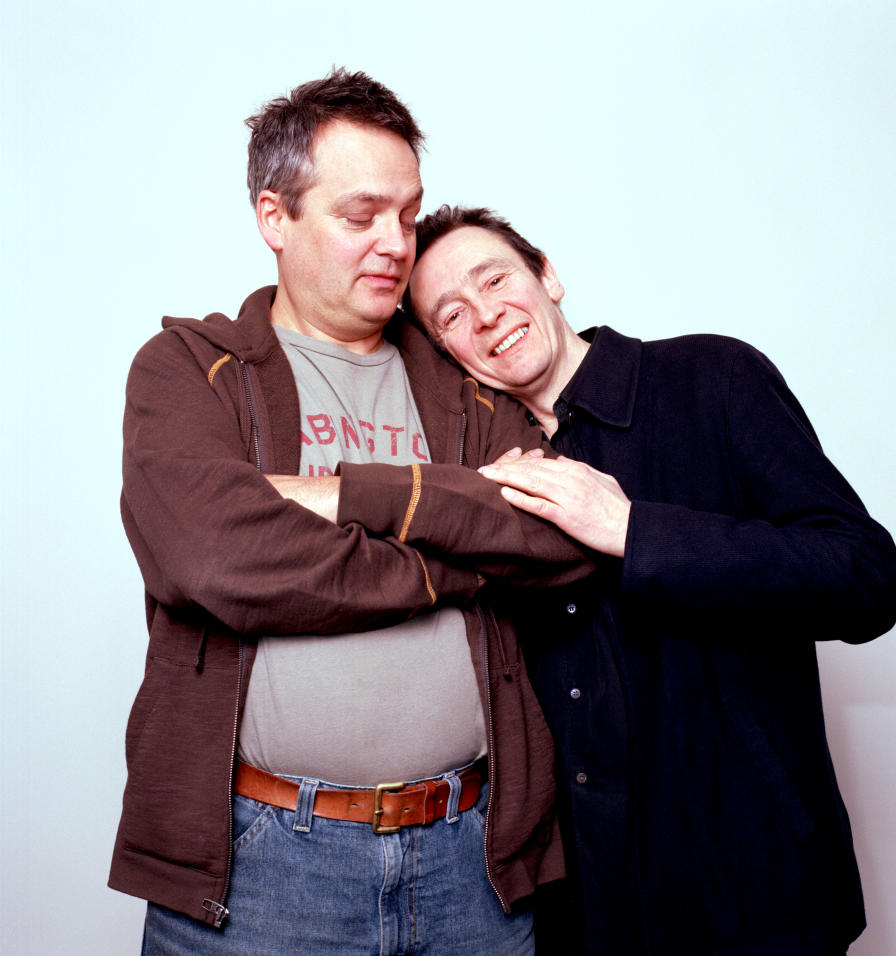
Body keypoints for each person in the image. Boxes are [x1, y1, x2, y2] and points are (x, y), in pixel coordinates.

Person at [109, 74, 591, 955]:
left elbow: (555, 532)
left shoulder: (464, 375)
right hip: (263, 864)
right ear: (274, 217)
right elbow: (216, 560)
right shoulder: (190, 369)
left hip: (472, 861)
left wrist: (346, 503)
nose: (396, 246)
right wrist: (456, 561)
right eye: (360, 216)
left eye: (407, 216)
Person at [404, 205, 896, 955]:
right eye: (452, 315)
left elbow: (865, 578)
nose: (486, 316)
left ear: (548, 277)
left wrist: (633, 530)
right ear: (447, 351)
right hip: (585, 915)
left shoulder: (712, 378)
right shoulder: (484, 477)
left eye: (495, 278)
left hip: (756, 893)